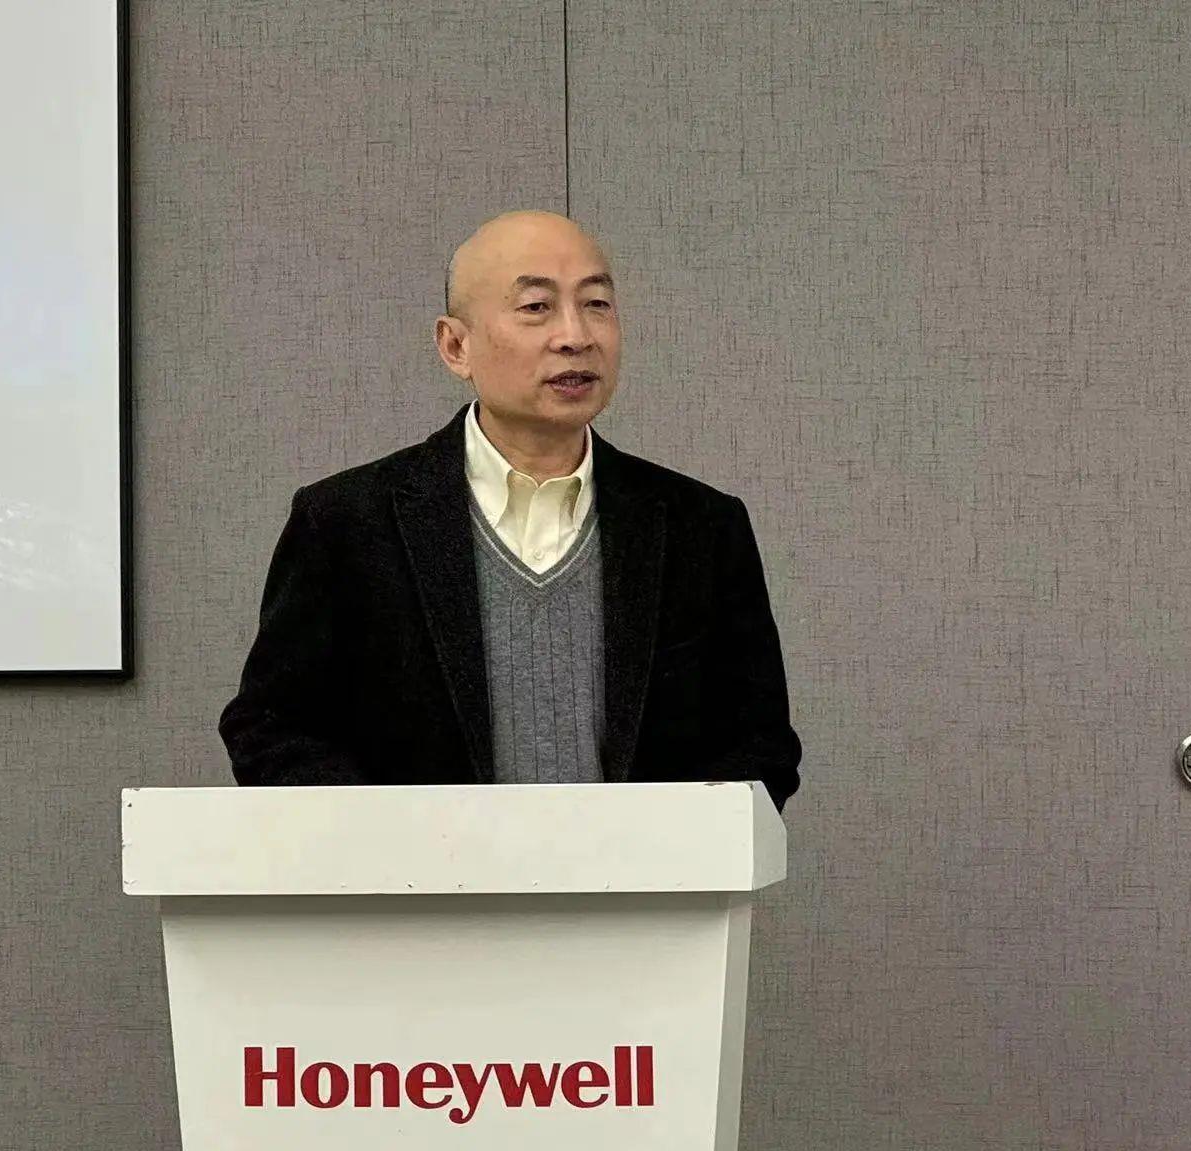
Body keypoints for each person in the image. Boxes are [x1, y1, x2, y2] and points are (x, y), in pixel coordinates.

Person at [219, 210, 802, 811]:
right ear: (456, 346)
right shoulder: (346, 522)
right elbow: (271, 729)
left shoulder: (700, 525)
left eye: (597, 304)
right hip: (424, 871)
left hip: (645, 873)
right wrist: (394, 838)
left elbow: (760, 743)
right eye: (536, 307)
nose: (575, 336)